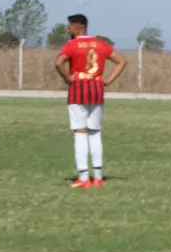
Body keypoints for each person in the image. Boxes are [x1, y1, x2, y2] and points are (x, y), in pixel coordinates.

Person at [54, 14, 128, 188]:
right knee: (95, 133)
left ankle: (83, 177)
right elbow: (122, 61)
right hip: (96, 89)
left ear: (77, 28)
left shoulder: (72, 45)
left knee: (80, 133)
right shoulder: (100, 44)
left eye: (69, 27)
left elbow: (58, 63)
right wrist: (108, 80)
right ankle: (98, 177)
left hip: (78, 89)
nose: (68, 30)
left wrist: (67, 79)